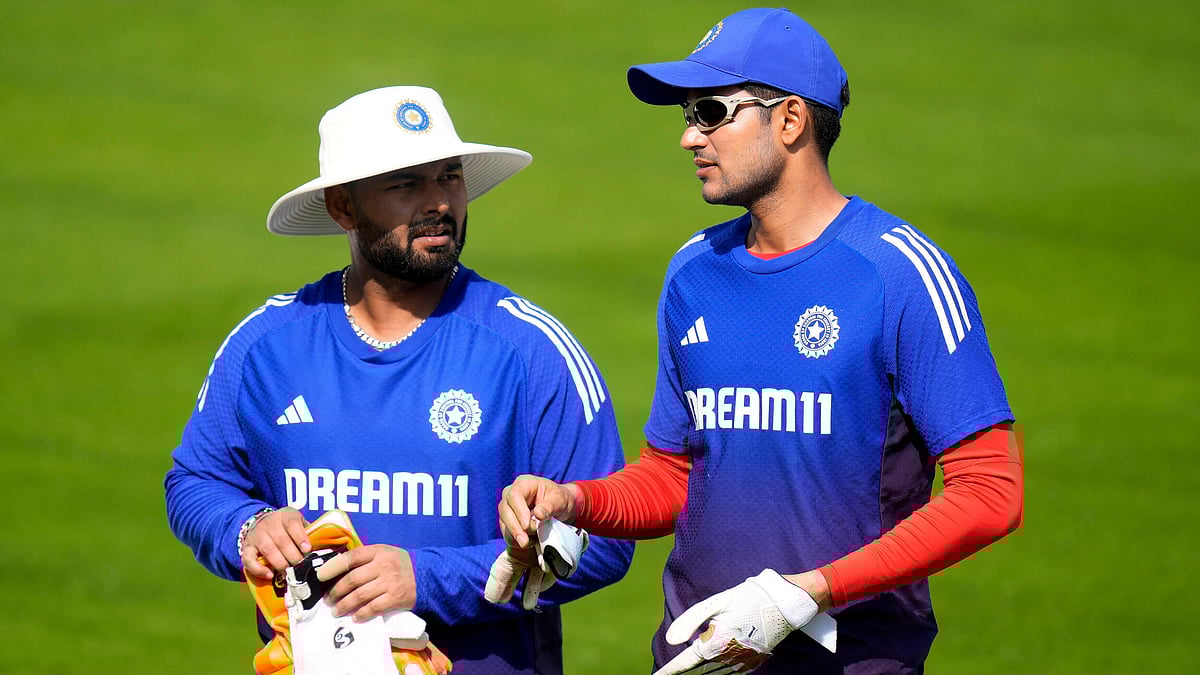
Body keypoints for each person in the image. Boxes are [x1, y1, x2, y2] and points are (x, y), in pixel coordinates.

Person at [497, 8, 1024, 674]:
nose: (689, 137)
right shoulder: (693, 270)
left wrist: (805, 595)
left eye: (711, 111)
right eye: (687, 115)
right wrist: (576, 501)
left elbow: (990, 491)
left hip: (851, 661)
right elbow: (673, 475)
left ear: (791, 119)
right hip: (698, 656)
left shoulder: (899, 273)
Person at [165, 85, 634, 674]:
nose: (438, 202)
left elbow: (606, 539)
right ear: (343, 208)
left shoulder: (529, 351)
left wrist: (425, 579)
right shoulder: (266, 347)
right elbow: (195, 482)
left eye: (449, 177)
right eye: (406, 183)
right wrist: (246, 528)